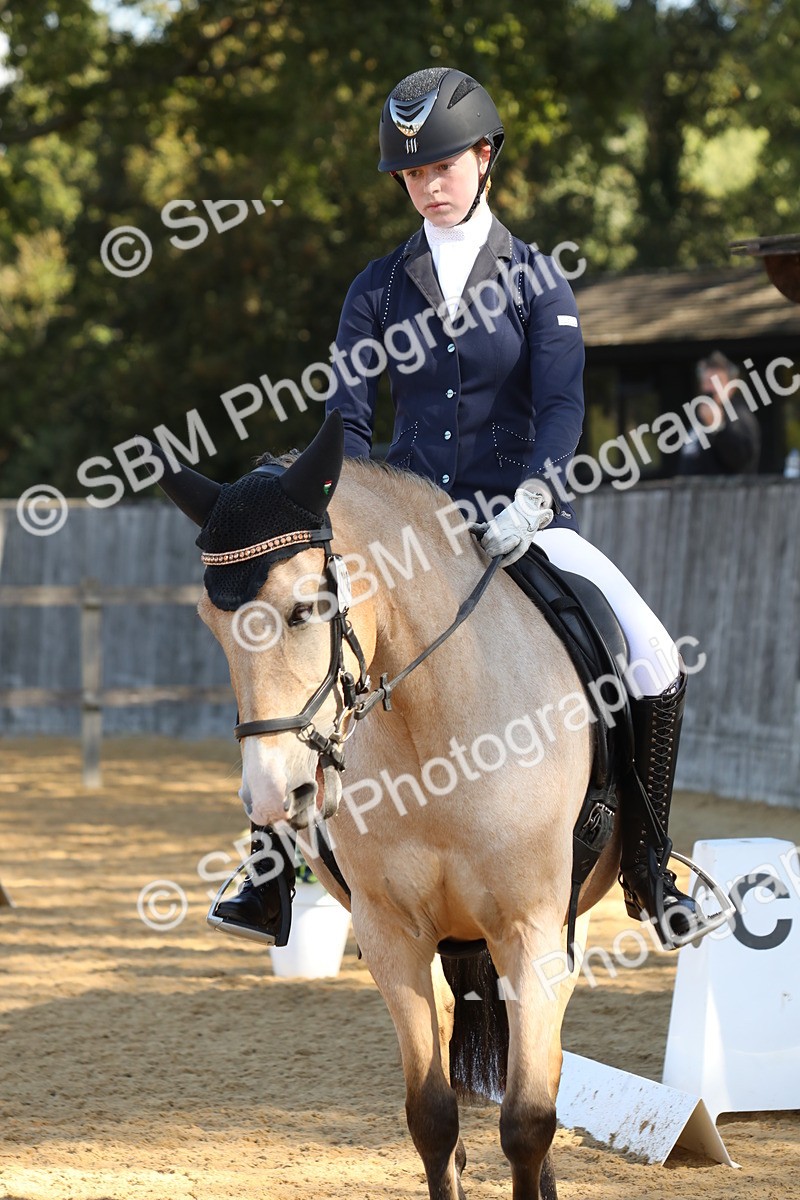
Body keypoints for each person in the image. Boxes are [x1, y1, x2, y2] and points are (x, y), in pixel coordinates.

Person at [213, 66, 703, 950]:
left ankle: (650, 865)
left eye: (443, 166)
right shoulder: (376, 288)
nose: (428, 185)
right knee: (290, 640)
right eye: (412, 173)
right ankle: (268, 866)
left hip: (524, 521)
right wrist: (325, 497)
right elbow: (350, 418)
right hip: (410, 529)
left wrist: (538, 493)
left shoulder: (536, 281)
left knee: (654, 655)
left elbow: (560, 406)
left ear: (484, 159)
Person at [675, 351, 761, 475]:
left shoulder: (740, 416)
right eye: (707, 381)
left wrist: (718, 427)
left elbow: (740, 460)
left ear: (731, 387)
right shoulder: (701, 417)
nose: (711, 388)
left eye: (717, 381)